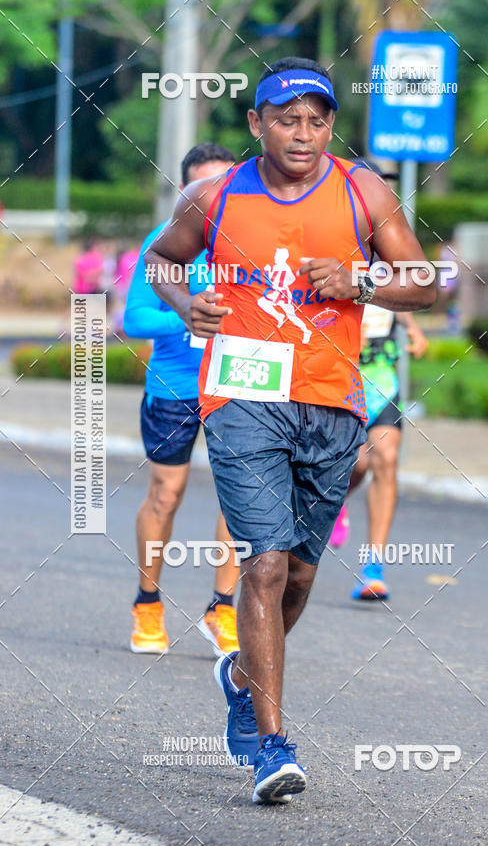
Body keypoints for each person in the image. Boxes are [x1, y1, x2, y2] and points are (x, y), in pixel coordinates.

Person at [145, 57, 435, 804]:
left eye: (317, 119)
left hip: (333, 403)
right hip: (240, 398)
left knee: (301, 576)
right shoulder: (215, 195)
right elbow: (162, 261)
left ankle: (240, 674)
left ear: (331, 124)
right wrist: (186, 306)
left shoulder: (363, 190)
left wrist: (363, 282)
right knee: (265, 566)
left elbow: (427, 281)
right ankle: (273, 745)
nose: (303, 134)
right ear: (256, 125)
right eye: (286, 119)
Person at [124, 142, 241, 659]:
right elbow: (133, 320)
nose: (212, 197)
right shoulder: (163, 243)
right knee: (165, 495)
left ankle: (224, 610)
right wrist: (188, 315)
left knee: (241, 502)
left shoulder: (252, 242)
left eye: (222, 185)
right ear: (184, 193)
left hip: (239, 385)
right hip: (175, 388)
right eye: (202, 189)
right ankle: (147, 603)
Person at [328, 159, 429, 601]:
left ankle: (373, 565)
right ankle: (334, 503)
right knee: (359, 463)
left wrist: (413, 329)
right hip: (337, 373)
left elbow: (409, 294)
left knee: (386, 458)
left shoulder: (394, 246)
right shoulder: (331, 240)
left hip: (381, 372)